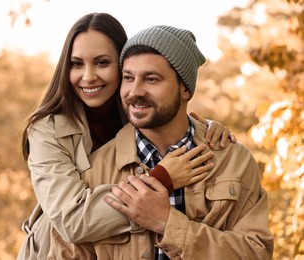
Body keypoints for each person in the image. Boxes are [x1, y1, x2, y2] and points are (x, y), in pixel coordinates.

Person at [17, 13, 236, 260]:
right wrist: (162, 179)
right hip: (54, 252)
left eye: (101, 63)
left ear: (123, 65)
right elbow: (72, 221)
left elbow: (172, 117)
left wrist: (205, 127)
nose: (88, 76)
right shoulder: (46, 131)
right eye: (77, 64)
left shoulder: (138, 112)